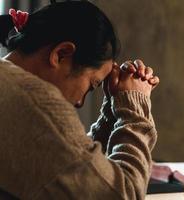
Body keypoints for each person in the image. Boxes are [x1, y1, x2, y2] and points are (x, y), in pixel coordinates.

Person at [0, 1, 159, 199]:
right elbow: (122, 194)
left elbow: (66, 166)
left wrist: (111, 113)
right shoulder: (35, 101)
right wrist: (135, 108)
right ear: (61, 54)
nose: (79, 103)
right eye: (91, 86)